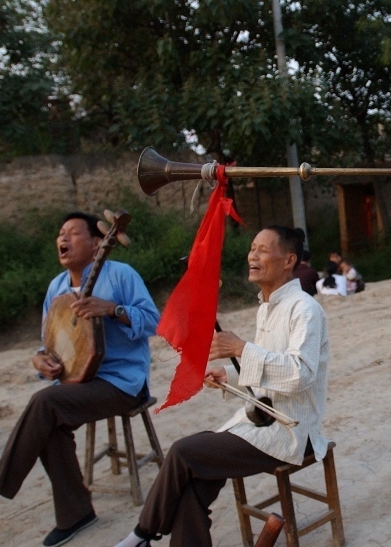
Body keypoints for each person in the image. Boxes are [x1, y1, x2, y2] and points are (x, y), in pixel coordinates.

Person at [0, 212, 159, 546]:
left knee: (44, 403)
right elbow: (48, 343)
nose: (63, 238)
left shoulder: (121, 274)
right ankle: (76, 513)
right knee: (48, 422)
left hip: (121, 383)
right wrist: (40, 360)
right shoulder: (56, 288)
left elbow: (153, 321)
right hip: (75, 384)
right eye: (61, 233)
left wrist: (112, 309)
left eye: (73, 232)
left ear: (96, 243)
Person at [114, 225, 330, 547]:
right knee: (194, 484)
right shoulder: (268, 307)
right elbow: (270, 367)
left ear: (288, 261)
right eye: (252, 248)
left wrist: (241, 348)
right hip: (262, 420)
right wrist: (229, 373)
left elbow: (301, 374)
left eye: (262, 250)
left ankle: (142, 534)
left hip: (292, 430)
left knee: (184, 452)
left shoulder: (305, 308)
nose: (252, 256)